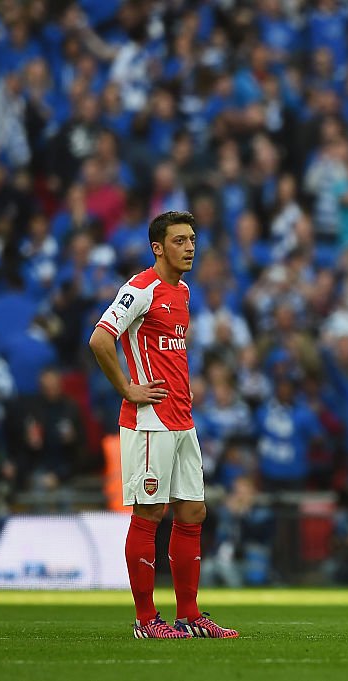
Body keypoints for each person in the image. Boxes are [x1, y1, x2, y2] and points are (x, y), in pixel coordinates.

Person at [88, 210, 237, 640]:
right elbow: (100, 339)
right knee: (150, 512)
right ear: (158, 247)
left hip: (182, 418)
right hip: (149, 420)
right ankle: (145, 620)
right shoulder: (140, 289)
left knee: (193, 511)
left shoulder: (184, 291)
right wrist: (127, 388)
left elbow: (167, 350)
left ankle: (189, 615)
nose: (190, 247)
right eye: (179, 241)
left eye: (192, 239)